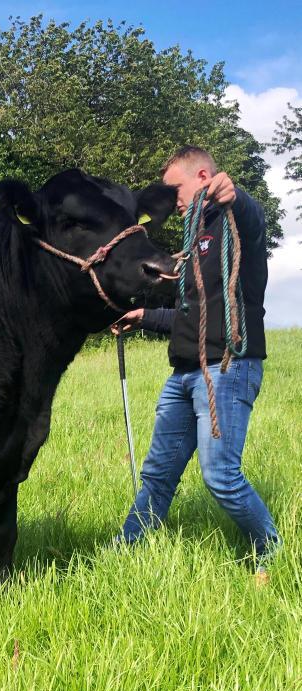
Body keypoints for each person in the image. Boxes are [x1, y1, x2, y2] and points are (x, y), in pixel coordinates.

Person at [112, 145, 280, 579]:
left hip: (228, 368)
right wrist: (144, 316)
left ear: (203, 177)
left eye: (176, 189)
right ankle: (126, 549)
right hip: (184, 374)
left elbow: (254, 219)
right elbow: (190, 315)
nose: (173, 201)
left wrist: (236, 195)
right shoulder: (193, 242)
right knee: (158, 473)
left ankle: (273, 550)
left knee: (221, 476)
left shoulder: (235, 225)